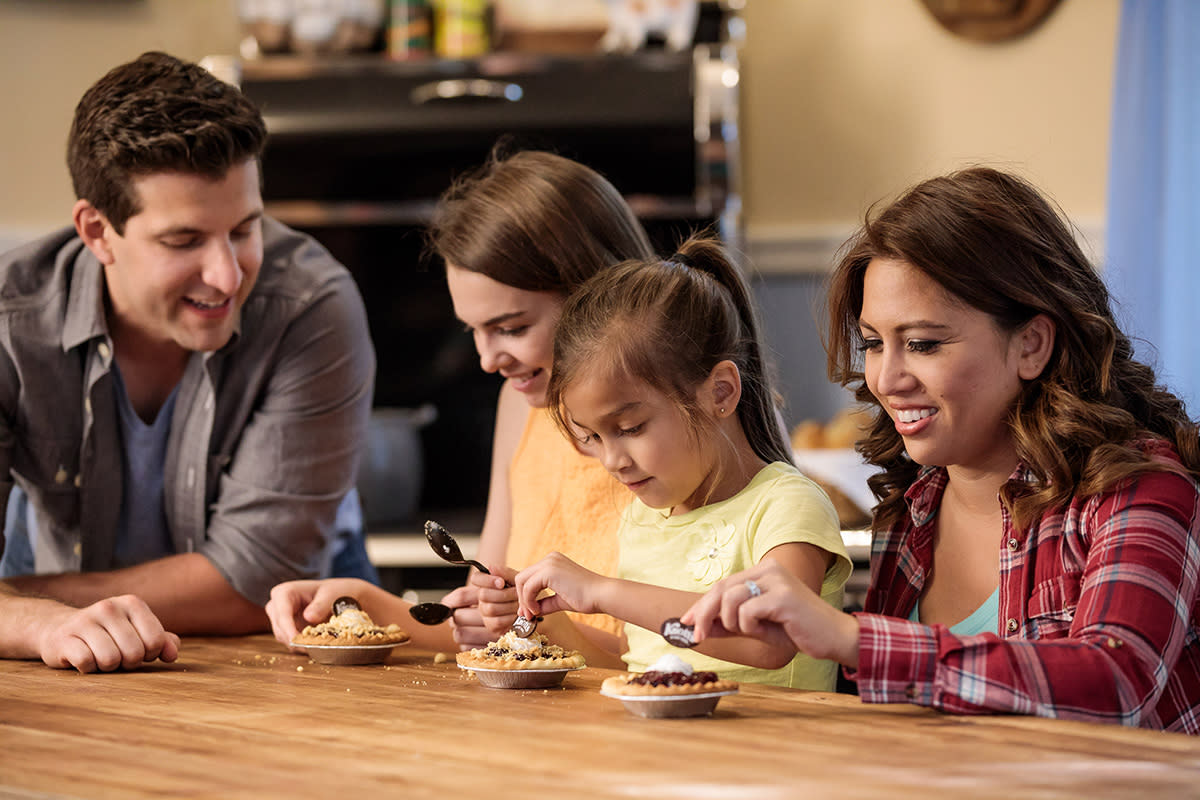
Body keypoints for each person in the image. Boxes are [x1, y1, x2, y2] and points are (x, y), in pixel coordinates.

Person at [681, 167, 1200, 730]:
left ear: (1031, 344)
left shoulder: (1140, 489)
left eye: (924, 344)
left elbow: (1115, 681)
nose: (886, 378)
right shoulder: (915, 505)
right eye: (875, 344)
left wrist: (854, 638)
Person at [0, 51, 375, 669]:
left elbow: (254, 583)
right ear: (97, 232)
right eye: (184, 240)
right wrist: (39, 625)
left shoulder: (312, 306)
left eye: (245, 229)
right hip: (62, 653)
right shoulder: (12, 324)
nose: (227, 275)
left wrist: (23, 606)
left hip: (296, 650)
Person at [265, 149, 657, 652]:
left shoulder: (675, 427)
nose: (488, 360)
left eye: (511, 328)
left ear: (596, 290)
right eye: (474, 331)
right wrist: (365, 602)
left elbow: (700, 648)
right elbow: (481, 622)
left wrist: (539, 628)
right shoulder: (520, 408)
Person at [500, 235, 851, 688]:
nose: (612, 460)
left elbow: (770, 642)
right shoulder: (643, 519)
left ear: (720, 392)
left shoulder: (786, 505)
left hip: (775, 754)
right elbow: (644, 657)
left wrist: (603, 592)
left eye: (629, 429)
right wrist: (552, 622)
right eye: (592, 436)